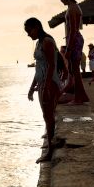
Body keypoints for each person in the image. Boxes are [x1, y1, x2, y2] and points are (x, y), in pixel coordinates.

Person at [25, 17, 64, 160]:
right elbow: (39, 68)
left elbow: (52, 66)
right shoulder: (39, 43)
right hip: (42, 83)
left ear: (36, 27)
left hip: (50, 83)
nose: (28, 34)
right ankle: (50, 146)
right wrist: (31, 88)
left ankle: (49, 152)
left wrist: (47, 86)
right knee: (47, 116)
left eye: (29, 30)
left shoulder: (47, 41)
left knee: (48, 117)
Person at [59, 0, 89, 104]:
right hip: (76, 39)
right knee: (75, 70)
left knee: (75, 70)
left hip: (74, 40)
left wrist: (69, 49)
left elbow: (73, 30)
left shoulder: (71, 9)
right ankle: (83, 96)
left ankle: (78, 98)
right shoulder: (75, 7)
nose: (61, 1)